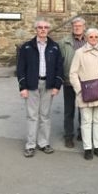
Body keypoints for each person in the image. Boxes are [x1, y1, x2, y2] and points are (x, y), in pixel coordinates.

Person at [17, 19, 63, 158]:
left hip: (48, 86)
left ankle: (43, 143)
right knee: (32, 116)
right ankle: (30, 145)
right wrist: (22, 87)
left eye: (45, 27)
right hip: (32, 85)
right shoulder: (27, 47)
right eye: (40, 27)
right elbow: (20, 68)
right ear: (36, 29)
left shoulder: (54, 46)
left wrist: (57, 86)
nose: (43, 29)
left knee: (45, 116)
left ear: (48, 29)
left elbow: (59, 67)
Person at [69, 28, 98, 160]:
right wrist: (80, 89)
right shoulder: (79, 53)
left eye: (96, 37)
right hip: (85, 92)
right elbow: (73, 73)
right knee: (86, 121)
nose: (94, 39)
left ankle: (97, 146)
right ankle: (87, 148)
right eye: (91, 37)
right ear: (86, 38)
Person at [58, 17, 86, 148]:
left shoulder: (89, 41)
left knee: (83, 109)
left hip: (85, 81)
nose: (77, 28)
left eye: (79, 26)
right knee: (69, 110)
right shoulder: (64, 42)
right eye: (75, 26)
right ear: (72, 27)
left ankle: (82, 132)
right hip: (69, 81)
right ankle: (68, 136)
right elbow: (59, 61)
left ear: (84, 27)